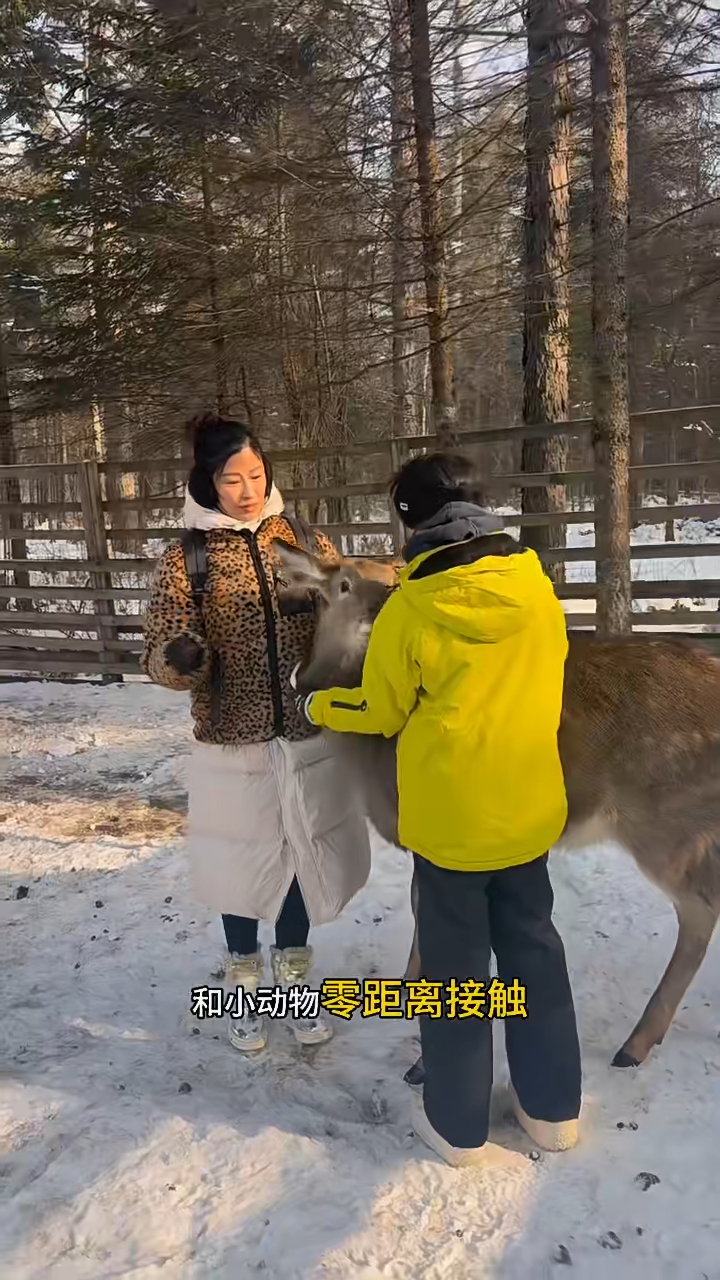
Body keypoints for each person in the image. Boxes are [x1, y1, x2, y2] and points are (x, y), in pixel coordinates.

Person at [296, 452, 582, 1167]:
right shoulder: (535, 586)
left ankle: (457, 1126)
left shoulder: (416, 606)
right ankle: (553, 1113)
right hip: (526, 810)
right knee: (535, 956)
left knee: (456, 978)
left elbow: (381, 708)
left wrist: (319, 702)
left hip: (453, 828)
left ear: (410, 522)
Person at [141, 413, 371, 1053]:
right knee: (241, 868)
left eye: (256, 475)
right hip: (231, 741)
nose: (246, 488)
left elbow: (343, 602)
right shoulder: (187, 558)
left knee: (302, 861)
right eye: (231, 478)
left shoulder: (299, 539)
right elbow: (158, 647)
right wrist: (180, 658)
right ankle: (245, 991)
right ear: (207, 481)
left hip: (306, 731)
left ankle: (295, 987)